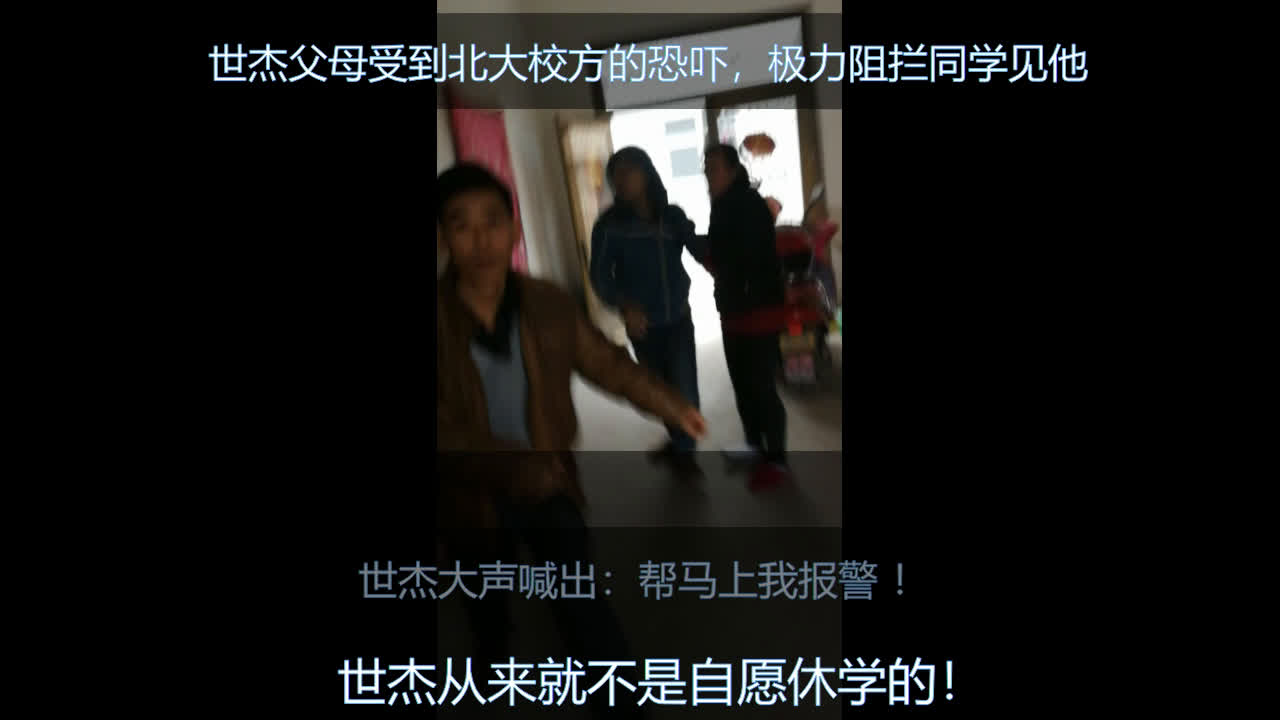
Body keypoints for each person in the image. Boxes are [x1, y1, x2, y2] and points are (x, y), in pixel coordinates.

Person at [436, 163, 706, 717]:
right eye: (462, 225)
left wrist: (671, 404)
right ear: (442, 238)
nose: (481, 239)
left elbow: (606, 363)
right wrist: (513, 468)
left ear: (514, 230)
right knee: (487, 614)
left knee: (585, 610)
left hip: (550, 483)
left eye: (492, 222)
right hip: (470, 498)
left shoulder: (547, 304)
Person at [589, 147, 706, 478]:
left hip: (678, 319)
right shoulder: (609, 226)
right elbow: (599, 276)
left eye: (629, 171)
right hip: (643, 328)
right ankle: (678, 444)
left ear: (647, 173)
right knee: (658, 394)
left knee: (686, 392)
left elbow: (700, 248)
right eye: (616, 174)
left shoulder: (672, 217)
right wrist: (624, 304)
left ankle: (684, 452)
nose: (622, 179)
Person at [701, 144, 792, 489]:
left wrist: (703, 251)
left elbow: (738, 260)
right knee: (743, 386)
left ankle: (777, 460)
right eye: (706, 168)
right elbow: (722, 257)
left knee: (762, 388)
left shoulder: (747, 204)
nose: (708, 175)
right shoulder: (724, 204)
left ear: (732, 170)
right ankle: (754, 445)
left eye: (713, 168)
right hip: (735, 311)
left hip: (759, 311)